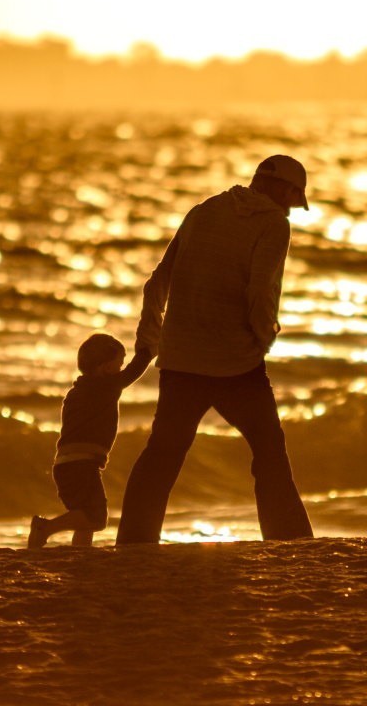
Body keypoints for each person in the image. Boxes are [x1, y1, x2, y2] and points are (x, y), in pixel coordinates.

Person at [115, 154, 315, 545]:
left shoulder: (204, 210)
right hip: (235, 364)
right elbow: (259, 292)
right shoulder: (274, 224)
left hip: (181, 359)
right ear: (286, 190)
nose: (293, 207)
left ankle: (133, 544)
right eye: (295, 197)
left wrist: (149, 344)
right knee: (270, 451)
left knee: (162, 455)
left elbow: (157, 282)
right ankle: (290, 542)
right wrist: (265, 338)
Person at [28, 333, 152, 548]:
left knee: (84, 518)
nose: (122, 369)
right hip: (81, 464)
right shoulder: (105, 387)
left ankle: (81, 554)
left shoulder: (75, 392)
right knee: (96, 518)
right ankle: (45, 528)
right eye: (119, 364)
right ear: (105, 368)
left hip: (65, 464)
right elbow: (133, 372)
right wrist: (147, 352)